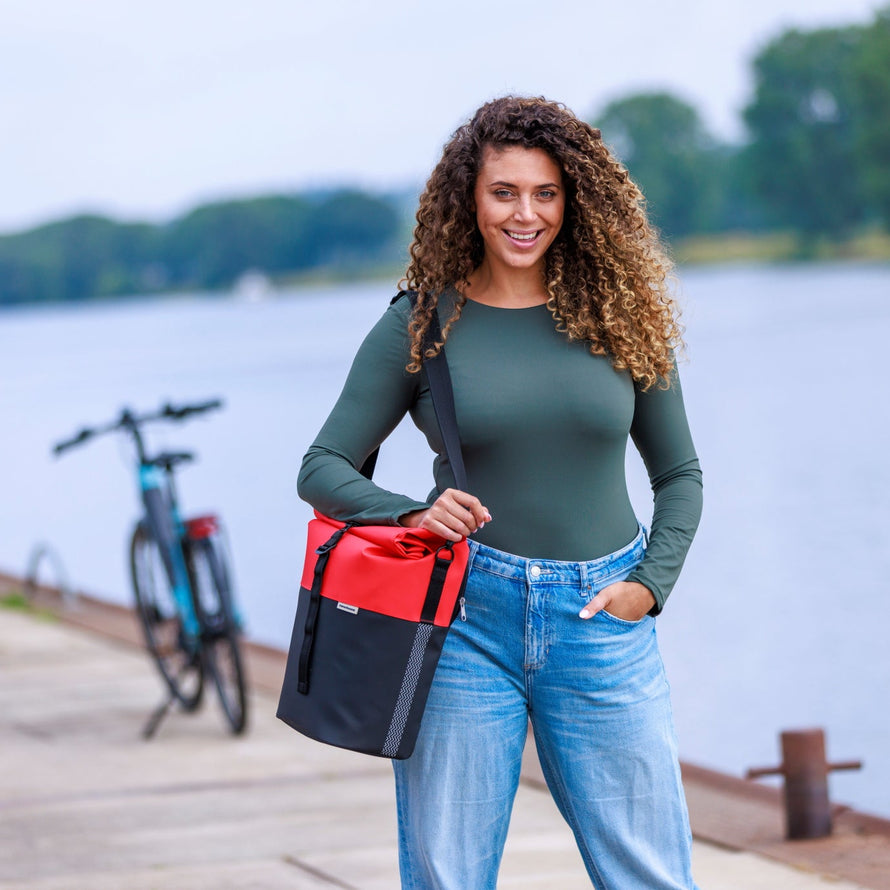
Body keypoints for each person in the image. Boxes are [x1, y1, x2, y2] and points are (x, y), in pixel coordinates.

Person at [298, 95, 703, 890]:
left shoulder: (622, 319)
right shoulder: (420, 323)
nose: (526, 214)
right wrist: (411, 512)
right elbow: (323, 466)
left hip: (601, 619)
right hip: (461, 622)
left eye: (545, 193)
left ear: (574, 200)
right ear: (468, 200)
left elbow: (680, 476)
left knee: (650, 876)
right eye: (504, 192)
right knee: (447, 878)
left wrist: (648, 589)